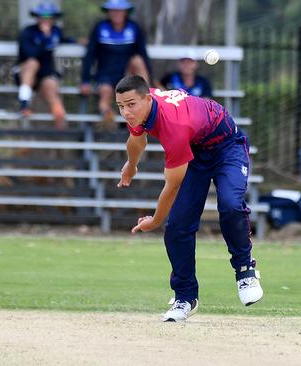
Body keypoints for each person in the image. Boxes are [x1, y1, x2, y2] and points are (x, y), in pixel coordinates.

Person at [114, 75, 263, 322]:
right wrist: (131, 165)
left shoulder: (173, 126)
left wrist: (155, 220)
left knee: (230, 204)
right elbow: (136, 140)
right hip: (195, 150)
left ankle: (245, 269)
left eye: (130, 105)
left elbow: (171, 187)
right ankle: (185, 297)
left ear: (147, 99)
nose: (126, 112)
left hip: (227, 147)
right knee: (178, 228)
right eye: (120, 106)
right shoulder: (139, 107)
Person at [80, 0, 151, 128]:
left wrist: (149, 76)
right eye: (113, 10)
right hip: (105, 74)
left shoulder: (134, 28)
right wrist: (85, 81)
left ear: (125, 12)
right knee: (105, 93)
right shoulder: (100, 27)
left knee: (137, 61)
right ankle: (107, 116)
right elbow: (90, 55)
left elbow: (144, 55)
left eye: (119, 10)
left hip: (126, 75)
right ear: (108, 12)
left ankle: (148, 98)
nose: (116, 13)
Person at [16, 2, 73, 129]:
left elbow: (63, 39)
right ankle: (24, 104)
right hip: (26, 74)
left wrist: (78, 41)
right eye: (43, 16)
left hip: (45, 74)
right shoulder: (28, 32)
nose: (46, 19)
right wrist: (45, 38)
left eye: (49, 16)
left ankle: (60, 123)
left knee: (51, 86)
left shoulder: (56, 31)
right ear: (37, 17)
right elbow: (29, 53)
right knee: (33, 63)